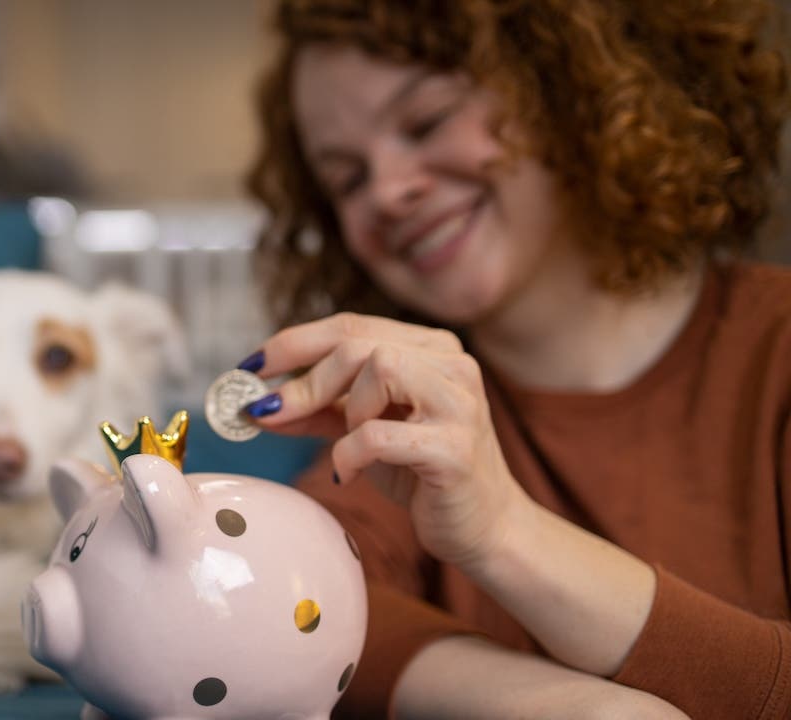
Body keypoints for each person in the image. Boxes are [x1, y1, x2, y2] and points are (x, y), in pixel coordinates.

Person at [239, 0, 791, 717]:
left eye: (427, 121)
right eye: (346, 179)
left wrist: (506, 534)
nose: (388, 190)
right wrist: (560, 704)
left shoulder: (773, 347)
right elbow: (281, 603)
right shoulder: (406, 417)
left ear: (566, 85)